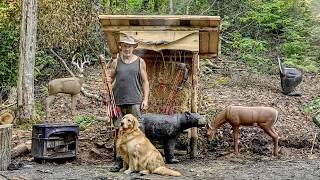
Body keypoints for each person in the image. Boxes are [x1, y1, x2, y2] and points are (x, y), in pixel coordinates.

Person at [107, 36, 150, 172]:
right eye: (125, 46)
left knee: (137, 131)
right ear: (121, 46)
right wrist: (106, 80)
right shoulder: (115, 62)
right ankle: (119, 162)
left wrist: (145, 99)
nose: (127, 48)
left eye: (130, 46)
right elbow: (110, 79)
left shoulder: (140, 62)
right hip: (117, 102)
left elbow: (145, 81)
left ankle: (141, 161)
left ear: (133, 48)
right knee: (118, 132)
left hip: (135, 102)